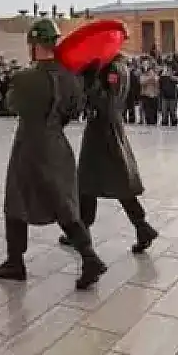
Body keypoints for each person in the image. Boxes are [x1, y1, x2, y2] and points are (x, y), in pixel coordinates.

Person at [0, 17, 106, 290]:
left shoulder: (25, 78)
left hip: (30, 144)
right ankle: (89, 257)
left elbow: (10, 106)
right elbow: (74, 110)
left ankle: (15, 262)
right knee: (64, 205)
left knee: (16, 200)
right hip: (58, 144)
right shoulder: (70, 78)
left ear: (33, 46)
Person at [62, 52, 159, 255]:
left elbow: (107, 103)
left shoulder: (113, 70)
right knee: (94, 185)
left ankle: (141, 228)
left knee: (103, 183)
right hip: (104, 130)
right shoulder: (113, 67)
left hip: (104, 133)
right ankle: (139, 227)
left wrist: (91, 82)